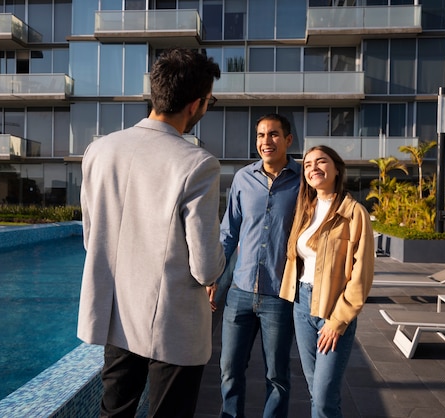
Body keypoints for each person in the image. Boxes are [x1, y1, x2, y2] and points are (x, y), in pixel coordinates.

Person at [77, 48, 225, 418]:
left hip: (118, 314)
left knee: (115, 412)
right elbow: (205, 267)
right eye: (209, 100)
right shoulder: (198, 164)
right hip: (173, 323)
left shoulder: (99, 151)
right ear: (195, 105)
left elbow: (91, 237)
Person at [214, 113, 301, 418]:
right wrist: (216, 278)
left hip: (279, 294)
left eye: (274, 135)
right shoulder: (242, 178)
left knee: (277, 375)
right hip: (239, 291)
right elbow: (228, 232)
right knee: (229, 369)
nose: (267, 141)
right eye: (261, 135)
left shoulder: (303, 181)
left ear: (288, 140)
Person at [279, 145, 374, 418]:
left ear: (336, 168)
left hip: (333, 310)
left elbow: (362, 274)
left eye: (321, 162)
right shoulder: (305, 210)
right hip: (302, 305)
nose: (313, 168)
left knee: (323, 398)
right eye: (308, 164)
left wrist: (338, 320)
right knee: (316, 391)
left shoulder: (354, 213)